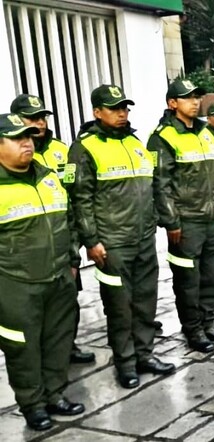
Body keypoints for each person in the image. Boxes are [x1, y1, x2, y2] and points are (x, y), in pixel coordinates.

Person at [68, 85, 172, 389]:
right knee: (119, 307)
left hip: (143, 238)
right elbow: (80, 200)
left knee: (145, 302)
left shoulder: (135, 142)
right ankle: (125, 363)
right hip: (112, 243)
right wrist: (91, 241)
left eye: (125, 108)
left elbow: (151, 186)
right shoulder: (84, 148)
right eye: (114, 108)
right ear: (97, 112)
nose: (122, 113)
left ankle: (145, 355)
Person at [0, 114, 84, 431]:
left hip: (59, 276)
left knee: (58, 341)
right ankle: (32, 405)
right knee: (23, 349)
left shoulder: (48, 177)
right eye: (17, 138)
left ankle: (55, 395)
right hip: (15, 283)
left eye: (29, 137)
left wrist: (72, 260)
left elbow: (69, 220)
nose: (27, 143)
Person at [10, 94, 96, 365]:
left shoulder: (60, 149)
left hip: (62, 237)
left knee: (68, 301)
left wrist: (74, 247)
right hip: (30, 249)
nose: (39, 123)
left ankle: (67, 346)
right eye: (32, 118)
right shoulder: (13, 154)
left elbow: (71, 190)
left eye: (42, 117)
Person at [147, 79, 214, 353]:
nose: (195, 102)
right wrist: (171, 221)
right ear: (173, 103)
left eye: (197, 97)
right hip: (186, 223)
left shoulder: (206, 132)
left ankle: (209, 324)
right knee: (188, 281)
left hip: (211, 220)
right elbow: (160, 184)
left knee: (211, 276)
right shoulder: (163, 137)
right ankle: (193, 329)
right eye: (188, 98)